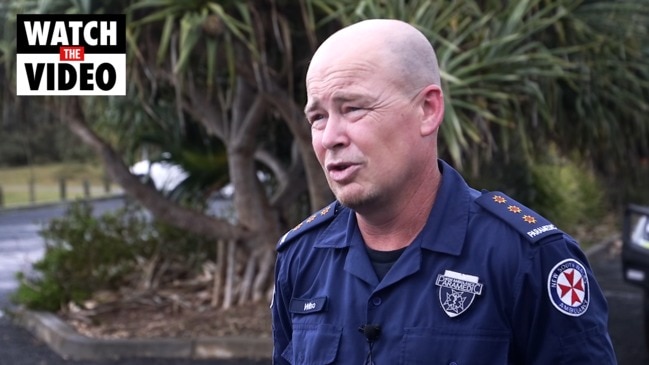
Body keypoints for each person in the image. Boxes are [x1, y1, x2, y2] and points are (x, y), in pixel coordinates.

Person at [271, 18, 617, 364]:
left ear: (428, 110)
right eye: (317, 117)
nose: (330, 137)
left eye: (354, 109)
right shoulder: (302, 258)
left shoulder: (524, 259)